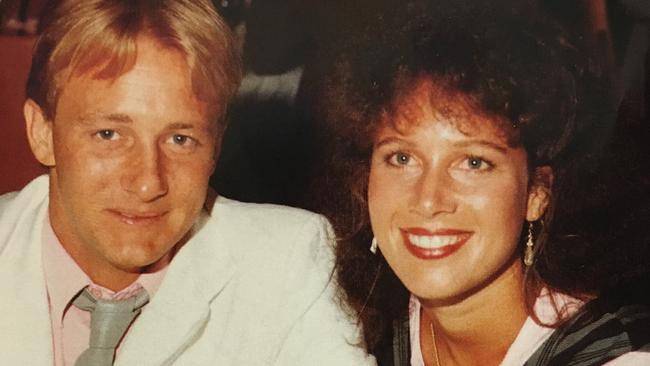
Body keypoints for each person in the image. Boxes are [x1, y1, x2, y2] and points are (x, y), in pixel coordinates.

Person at [0, 0, 375, 365]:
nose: (148, 183)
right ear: (41, 133)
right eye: (109, 134)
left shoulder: (288, 263)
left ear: (216, 147)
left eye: (181, 140)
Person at [313, 1, 650, 365]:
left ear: (537, 192)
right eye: (402, 158)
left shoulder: (616, 356)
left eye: (473, 162)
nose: (428, 200)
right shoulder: (347, 327)